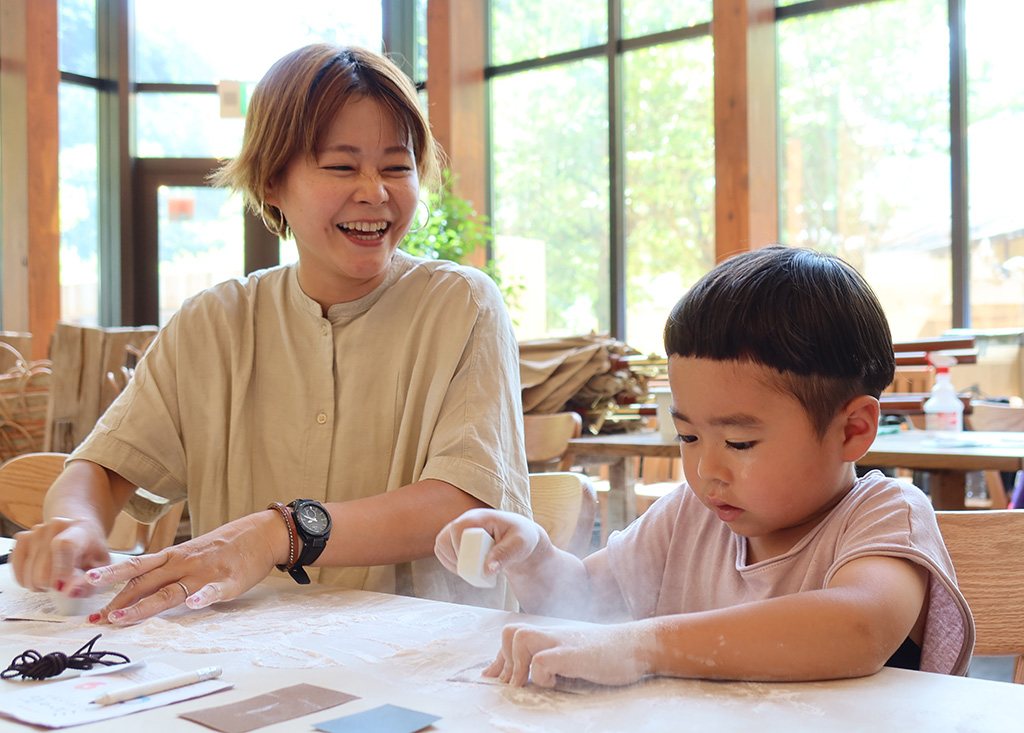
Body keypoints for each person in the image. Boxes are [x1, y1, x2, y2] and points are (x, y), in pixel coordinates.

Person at [11, 43, 530, 623]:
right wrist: (76, 523)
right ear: (271, 184)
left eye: (396, 166)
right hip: (236, 661)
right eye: (341, 165)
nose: (375, 191)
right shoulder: (213, 323)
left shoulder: (461, 304)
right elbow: (103, 469)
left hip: (419, 659)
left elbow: (463, 502)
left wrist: (277, 533)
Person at [435, 246, 974, 686]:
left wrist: (644, 646)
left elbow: (859, 626)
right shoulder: (688, 517)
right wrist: (530, 554)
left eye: (739, 442)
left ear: (851, 429)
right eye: (688, 435)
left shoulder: (884, 515)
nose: (705, 469)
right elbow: (586, 602)